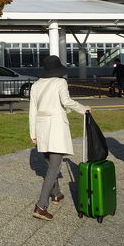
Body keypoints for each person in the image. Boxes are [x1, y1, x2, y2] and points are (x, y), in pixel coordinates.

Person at [29, 55, 90, 221]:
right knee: (54, 168)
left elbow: (32, 110)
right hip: (55, 127)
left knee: (50, 165)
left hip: (41, 128)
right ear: (58, 69)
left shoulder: (36, 85)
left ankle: (56, 194)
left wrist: (33, 133)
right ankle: (41, 206)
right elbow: (66, 101)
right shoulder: (60, 82)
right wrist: (83, 109)